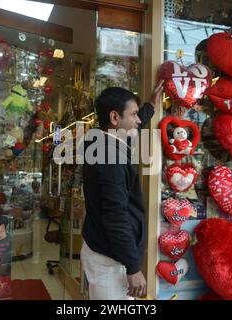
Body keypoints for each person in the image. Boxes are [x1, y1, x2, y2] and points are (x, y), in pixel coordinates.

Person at [81, 81, 164, 300]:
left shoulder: (102, 141)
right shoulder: (111, 158)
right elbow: (115, 215)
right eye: (134, 114)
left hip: (105, 251)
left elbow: (134, 128)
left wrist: (149, 106)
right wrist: (133, 267)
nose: (138, 120)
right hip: (110, 261)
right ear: (115, 118)